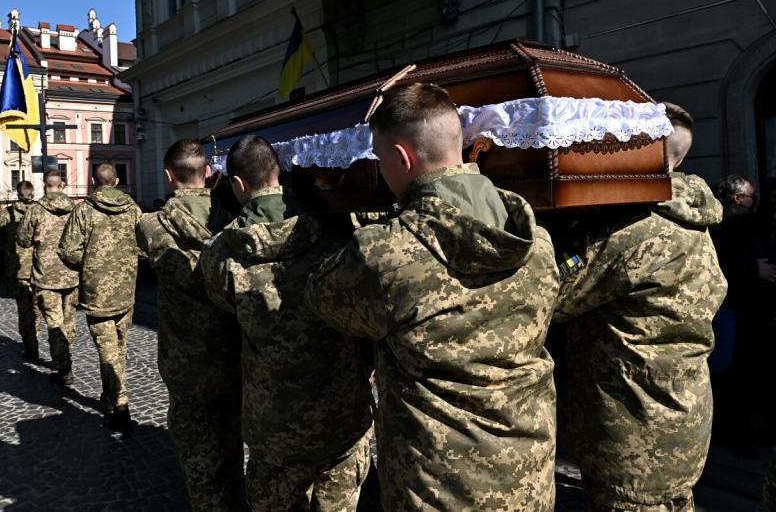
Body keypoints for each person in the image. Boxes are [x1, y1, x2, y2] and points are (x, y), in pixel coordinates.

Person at [305, 83, 558, 511]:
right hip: (528, 472)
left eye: (381, 160)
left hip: (439, 486)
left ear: (402, 157)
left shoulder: (386, 253)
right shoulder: (536, 239)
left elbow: (322, 298)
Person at [548, 101, 727, 511]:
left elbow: (552, 298)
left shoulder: (634, 228)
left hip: (634, 433)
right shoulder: (693, 219)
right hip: (680, 414)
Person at [200, 136, 374, 511]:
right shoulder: (336, 230)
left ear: (239, 185)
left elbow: (223, 304)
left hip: (273, 424)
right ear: (278, 173)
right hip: (341, 417)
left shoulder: (219, 253)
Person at [136, 139, 243, 510]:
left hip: (187, 362)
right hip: (237, 353)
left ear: (169, 176)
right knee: (234, 435)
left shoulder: (152, 226)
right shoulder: (236, 217)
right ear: (209, 173)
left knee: (199, 453)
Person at [59, 163, 141, 431]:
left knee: (107, 350)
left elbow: (69, 250)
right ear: (116, 181)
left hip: (97, 292)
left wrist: (89, 263)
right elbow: (145, 246)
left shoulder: (83, 210)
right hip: (126, 289)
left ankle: (118, 404)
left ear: (94, 182)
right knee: (120, 346)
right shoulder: (134, 209)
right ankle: (113, 396)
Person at [710, 173, 776, 454]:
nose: (756, 201)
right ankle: (734, 435)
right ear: (737, 199)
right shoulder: (718, 227)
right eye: (752, 196)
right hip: (732, 314)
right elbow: (719, 267)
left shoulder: (750, 224)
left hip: (754, 312)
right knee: (732, 376)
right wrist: (752, 269)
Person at [17, 170, 79, 385]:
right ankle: (65, 354)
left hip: (46, 276)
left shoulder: (35, 209)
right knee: (68, 321)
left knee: (55, 323)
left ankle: (64, 366)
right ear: (63, 185)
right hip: (72, 273)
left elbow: (23, 240)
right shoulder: (77, 208)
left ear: (45, 186)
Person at [0, 181, 40, 362]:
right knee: (39, 310)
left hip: (17, 270)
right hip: (40, 269)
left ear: (17, 193)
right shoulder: (41, 211)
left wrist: (8, 247)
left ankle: (31, 347)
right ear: (32, 193)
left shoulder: (6, 214)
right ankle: (39, 341)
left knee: (25, 312)